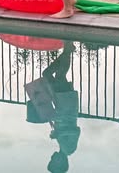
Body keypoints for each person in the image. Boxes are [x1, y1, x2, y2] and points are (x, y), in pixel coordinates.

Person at [25, 41, 81, 173]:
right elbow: (76, 131)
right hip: (67, 106)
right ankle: (67, 51)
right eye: (53, 161)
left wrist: (54, 125)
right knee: (56, 76)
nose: (51, 158)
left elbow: (65, 127)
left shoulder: (63, 146)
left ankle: (67, 51)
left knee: (50, 75)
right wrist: (58, 133)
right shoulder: (69, 149)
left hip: (63, 105)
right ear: (60, 163)